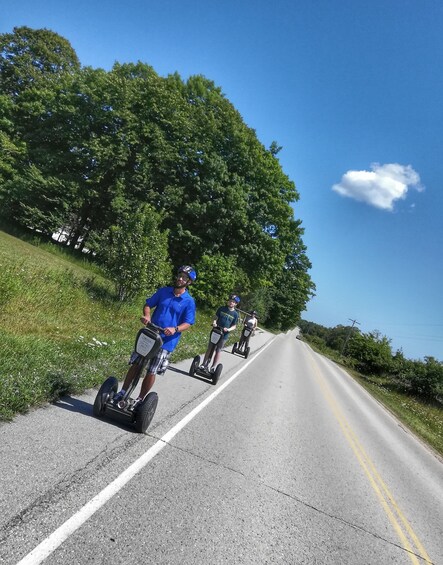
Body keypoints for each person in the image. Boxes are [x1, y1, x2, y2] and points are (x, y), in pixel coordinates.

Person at [114, 265, 197, 408]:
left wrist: (175, 328)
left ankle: (140, 399)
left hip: (166, 342)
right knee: (136, 363)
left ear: (189, 282)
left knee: (152, 370)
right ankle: (122, 392)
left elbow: (188, 322)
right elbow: (148, 304)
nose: (180, 278)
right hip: (151, 334)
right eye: (179, 275)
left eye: (184, 277)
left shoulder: (189, 301)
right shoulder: (164, 291)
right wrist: (147, 316)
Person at [201, 294, 240, 372]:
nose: (231, 303)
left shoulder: (235, 314)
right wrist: (214, 322)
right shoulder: (221, 308)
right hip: (216, 331)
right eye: (230, 301)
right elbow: (215, 317)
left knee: (218, 350)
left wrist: (228, 329)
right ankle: (204, 364)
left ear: (235, 304)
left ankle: (213, 367)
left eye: (233, 302)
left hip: (224, 335)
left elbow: (234, 326)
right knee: (210, 348)